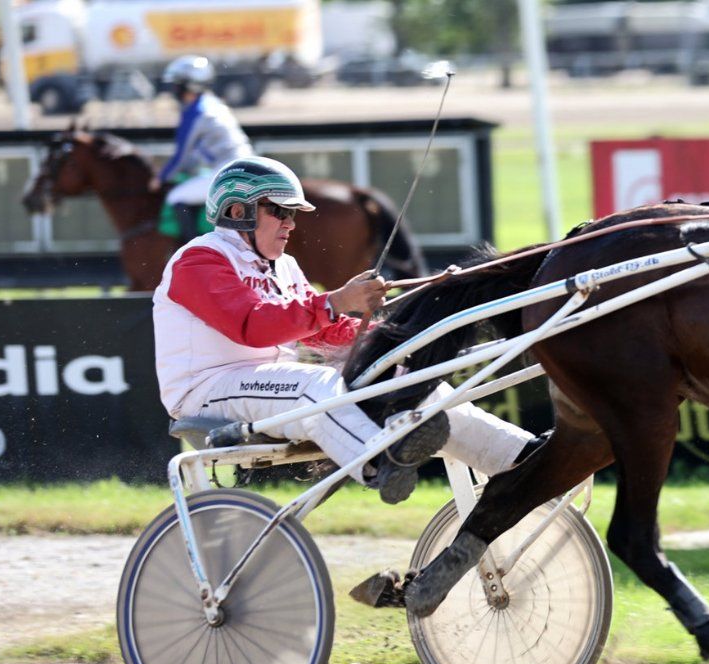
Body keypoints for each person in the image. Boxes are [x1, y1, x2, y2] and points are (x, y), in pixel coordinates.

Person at [152, 156, 537, 501]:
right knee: (316, 386)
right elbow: (252, 327)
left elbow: (316, 331)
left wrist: (386, 339)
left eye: (293, 214)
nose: (290, 224)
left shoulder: (283, 265)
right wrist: (336, 301)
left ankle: (521, 459)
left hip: (261, 384)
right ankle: (380, 465)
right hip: (205, 389)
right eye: (280, 212)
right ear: (238, 211)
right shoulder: (199, 261)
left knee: (408, 377)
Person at [155, 55, 254, 244]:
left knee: (176, 196)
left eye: (177, 85)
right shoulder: (212, 103)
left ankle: (196, 251)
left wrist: (160, 178)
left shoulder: (195, 112)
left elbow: (180, 156)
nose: (174, 90)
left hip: (227, 171)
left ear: (187, 86)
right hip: (242, 166)